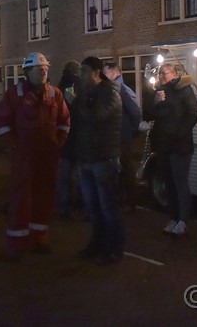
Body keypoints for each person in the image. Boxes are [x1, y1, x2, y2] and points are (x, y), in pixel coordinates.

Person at [0, 52, 70, 260]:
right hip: (25, 155)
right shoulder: (15, 94)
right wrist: (14, 145)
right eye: (39, 70)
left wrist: (58, 142)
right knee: (22, 197)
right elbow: (2, 123)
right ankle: (18, 242)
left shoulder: (55, 94)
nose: (44, 73)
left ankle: (40, 238)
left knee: (45, 195)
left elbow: (64, 120)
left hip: (48, 155)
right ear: (27, 72)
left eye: (45, 69)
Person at [72, 57, 124, 265]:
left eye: (84, 72)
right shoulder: (88, 93)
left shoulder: (110, 93)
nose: (81, 76)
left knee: (108, 206)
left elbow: (96, 118)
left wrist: (80, 101)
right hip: (86, 156)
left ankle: (114, 247)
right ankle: (97, 242)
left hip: (103, 157)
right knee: (92, 206)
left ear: (95, 73)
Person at [148, 63, 197, 236]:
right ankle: (173, 217)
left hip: (180, 145)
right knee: (168, 183)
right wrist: (155, 102)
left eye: (165, 73)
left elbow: (193, 114)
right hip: (164, 145)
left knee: (180, 182)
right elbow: (151, 115)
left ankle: (183, 220)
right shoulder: (159, 91)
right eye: (160, 73)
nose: (162, 76)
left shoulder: (185, 90)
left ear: (175, 74)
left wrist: (179, 134)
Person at [104, 62, 142, 211]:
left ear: (114, 73)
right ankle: (121, 199)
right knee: (118, 168)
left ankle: (130, 201)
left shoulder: (122, 90)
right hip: (117, 136)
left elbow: (135, 112)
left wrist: (130, 131)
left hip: (122, 137)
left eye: (105, 72)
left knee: (126, 167)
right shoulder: (114, 89)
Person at [56, 61, 84, 220]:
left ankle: (63, 206)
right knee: (81, 173)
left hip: (64, 135)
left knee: (64, 175)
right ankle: (80, 201)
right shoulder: (80, 85)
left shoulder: (59, 87)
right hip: (78, 135)